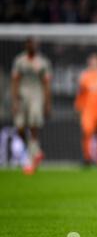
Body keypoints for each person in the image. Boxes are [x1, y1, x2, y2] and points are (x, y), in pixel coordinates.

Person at [11, 38, 52, 175]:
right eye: (29, 44)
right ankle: (37, 151)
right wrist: (15, 101)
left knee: (34, 126)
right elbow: (15, 81)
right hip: (22, 96)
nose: (32, 46)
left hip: (37, 96)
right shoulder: (20, 61)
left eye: (34, 44)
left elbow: (46, 84)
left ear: (37, 46)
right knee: (20, 127)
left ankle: (31, 160)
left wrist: (47, 103)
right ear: (26, 45)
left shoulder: (43, 62)